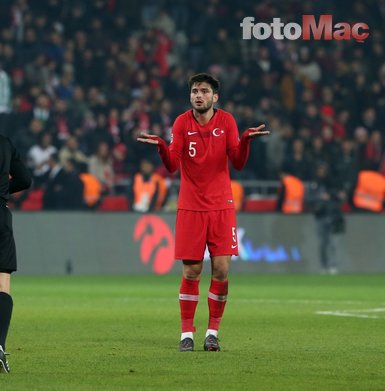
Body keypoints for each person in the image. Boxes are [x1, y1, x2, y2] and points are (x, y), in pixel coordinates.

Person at [137, 73, 269, 352]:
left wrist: (244, 140)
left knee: (220, 270)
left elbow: (238, 162)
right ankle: (187, 334)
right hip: (191, 207)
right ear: (190, 96)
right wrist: (162, 146)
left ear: (214, 97)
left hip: (222, 206)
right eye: (195, 91)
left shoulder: (227, 122)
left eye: (205, 91)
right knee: (192, 269)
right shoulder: (182, 122)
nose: (199, 95)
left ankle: (212, 332)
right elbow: (172, 164)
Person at [0, 135, 32, 372]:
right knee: (2, 282)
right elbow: (24, 179)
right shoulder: (5, 142)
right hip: (1, 216)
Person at [306, 162, 346, 274]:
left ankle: (333, 266)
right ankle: (323, 266)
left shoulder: (334, 183)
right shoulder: (314, 184)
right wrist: (319, 197)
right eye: (319, 170)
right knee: (323, 243)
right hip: (320, 216)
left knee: (334, 243)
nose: (321, 172)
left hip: (334, 216)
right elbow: (308, 198)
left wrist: (331, 195)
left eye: (323, 170)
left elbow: (341, 197)